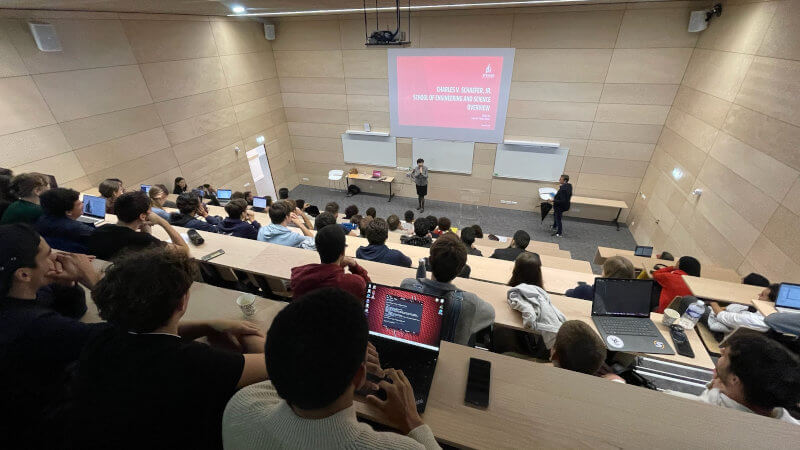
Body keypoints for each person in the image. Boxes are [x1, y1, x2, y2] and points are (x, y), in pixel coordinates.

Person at [67, 247, 268, 449]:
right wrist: (249, 333)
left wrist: (207, 325)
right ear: (182, 302)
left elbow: (155, 338)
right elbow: (272, 362)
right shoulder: (194, 362)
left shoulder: (103, 336)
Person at [222, 288, 441, 450]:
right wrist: (412, 420)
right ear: (360, 377)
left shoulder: (241, 406)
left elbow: (291, 366)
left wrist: (343, 365)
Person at [0, 224, 106, 448]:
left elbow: (73, 310)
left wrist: (67, 284)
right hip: (39, 426)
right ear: (24, 274)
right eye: (48, 255)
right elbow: (122, 337)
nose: (56, 259)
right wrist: (95, 282)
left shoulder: (15, 296)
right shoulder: (37, 326)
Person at [668, 330, 800, 424]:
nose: (722, 350)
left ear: (734, 380)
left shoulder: (681, 408)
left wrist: (714, 390)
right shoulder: (791, 430)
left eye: (726, 355)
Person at [401, 233, 494, 345]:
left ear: (430, 261)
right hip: (450, 358)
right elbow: (491, 314)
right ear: (460, 270)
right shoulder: (470, 302)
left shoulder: (408, 285)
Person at [88, 191, 187, 260]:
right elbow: (184, 251)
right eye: (150, 210)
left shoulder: (100, 230)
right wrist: (162, 222)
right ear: (143, 216)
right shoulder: (143, 241)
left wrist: (145, 229)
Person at [290, 224, 370, 299]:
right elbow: (369, 292)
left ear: (317, 249)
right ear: (343, 252)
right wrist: (355, 266)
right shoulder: (354, 283)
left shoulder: (298, 276)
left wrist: (337, 268)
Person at [35, 188, 95, 253]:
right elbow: (101, 237)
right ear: (68, 212)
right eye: (79, 204)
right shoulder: (78, 228)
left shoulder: (42, 220)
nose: (83, 205)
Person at [708, 284, 781, 334]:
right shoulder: (773, 316)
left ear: (771, 303)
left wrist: (711, 300)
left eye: (762, 295)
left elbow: (722, 316)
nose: (758, 295)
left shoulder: (754, 319)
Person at [566, 256, 634, 301]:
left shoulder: (586, 290)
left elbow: (568, 293)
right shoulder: (631, 297)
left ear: (606, 274)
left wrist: (583, 287)